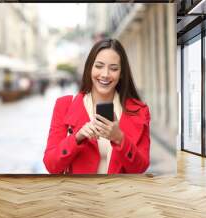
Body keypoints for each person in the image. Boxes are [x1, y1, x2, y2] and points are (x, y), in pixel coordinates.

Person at [43, 39, 151, 174]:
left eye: (114, 68)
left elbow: (140, 168)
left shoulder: (140, 111)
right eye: (99, 66)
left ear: (122, 73)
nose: (105, 74)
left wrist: (119, 138)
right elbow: (51, 165)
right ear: (89, 68)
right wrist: (77, 137)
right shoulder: (64, 106)